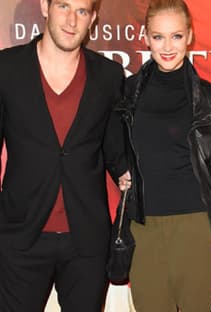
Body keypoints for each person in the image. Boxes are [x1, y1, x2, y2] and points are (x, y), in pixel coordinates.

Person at [0, 0, 129, 310]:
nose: (72, 20)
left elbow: (116, 150)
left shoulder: (109, 76)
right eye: (63, 6)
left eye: (82, 11)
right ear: (45, 7)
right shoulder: (6, 68)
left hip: (86, 240)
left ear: (93, 18)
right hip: (20, 236)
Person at [117, 0, 211, 311]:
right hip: (143, 231)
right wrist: (120, 168)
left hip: (197, 229)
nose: (167, 46)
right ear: (145, 37)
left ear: (190, 36)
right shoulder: (126, 93)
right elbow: (108, 146)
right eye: (158, 37)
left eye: (176, 36)